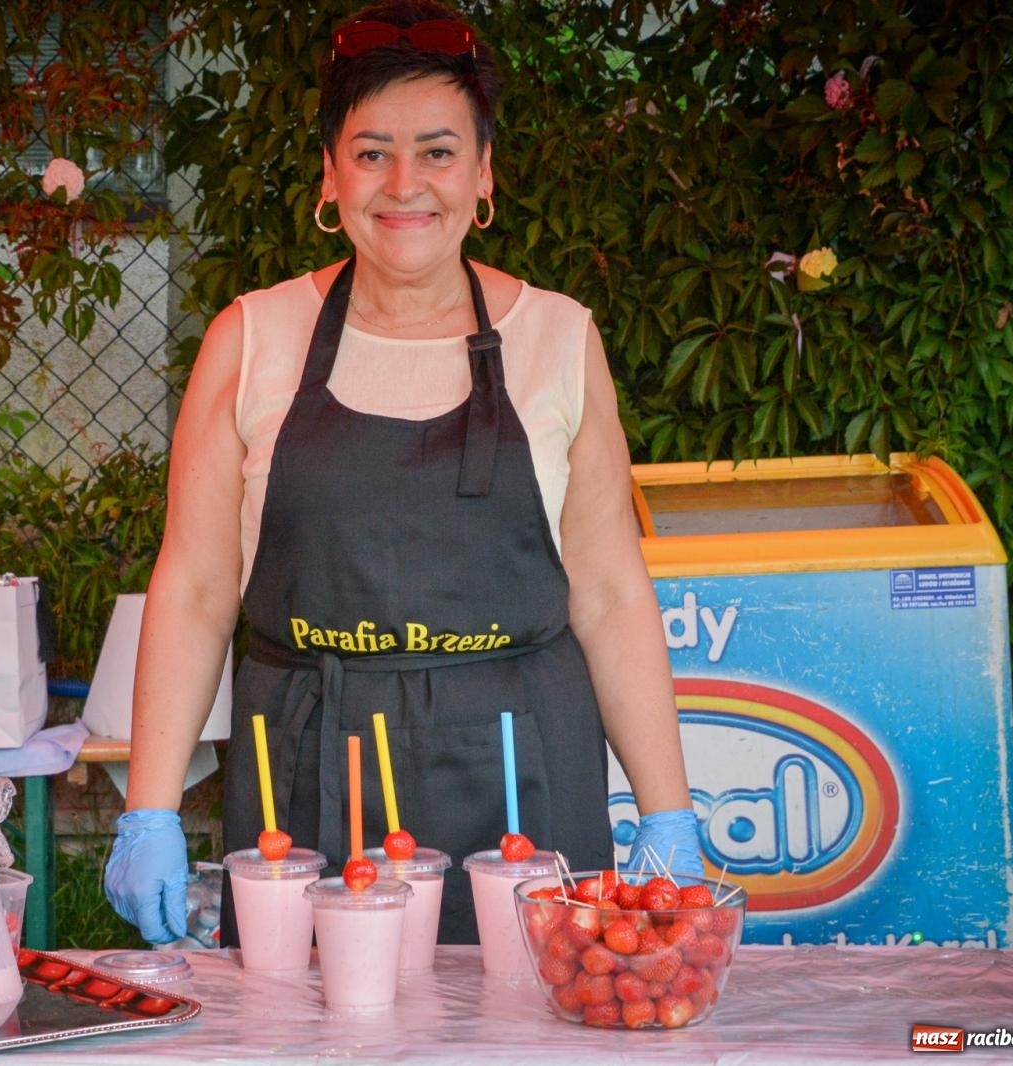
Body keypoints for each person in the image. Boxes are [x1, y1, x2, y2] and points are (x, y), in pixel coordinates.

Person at [104, 0, 702, 947]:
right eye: (372, 152)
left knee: (534, 1015)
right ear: (330, 175)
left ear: (483, 172)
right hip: (304, 775)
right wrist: (149, 808)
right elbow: (196, 588)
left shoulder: (558, 336)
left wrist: (668, 813)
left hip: (528, 767)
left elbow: (610, 591)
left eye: (437, 151)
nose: (404, 184)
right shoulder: (250, 338)